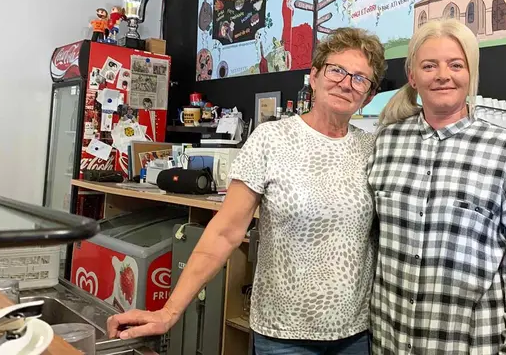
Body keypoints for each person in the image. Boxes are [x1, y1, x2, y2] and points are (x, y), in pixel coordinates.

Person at [107, 27, 387, 354]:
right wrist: (168, 312)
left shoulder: (374, 149)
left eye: (359, 78)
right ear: (314, 76)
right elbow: (225, 232)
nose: (345, 82)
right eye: (336, 70)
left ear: (368, 95)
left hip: (355, 334)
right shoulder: (271, 140)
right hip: (283, 335)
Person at [369, 19, 506, 354]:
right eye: (429, 65)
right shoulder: (386, 142)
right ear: (412, 76)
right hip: (387, 343)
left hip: (468, 346)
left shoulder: (504, 151)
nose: (442, 75)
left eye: (455, 64)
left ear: (470, 73)